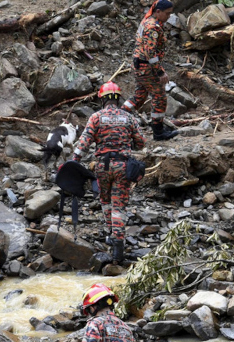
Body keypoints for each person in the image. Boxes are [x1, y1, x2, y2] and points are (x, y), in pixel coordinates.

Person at [72, 82, 145, 264]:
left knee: (105, 200)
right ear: (118, 98)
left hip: (103, 167)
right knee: (119, 205)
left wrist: (73, 162)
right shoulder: (128, 118)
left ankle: (111, 234)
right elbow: (141, 142)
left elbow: (84, 143)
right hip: (123, 166)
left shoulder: (96, 117)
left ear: (102, 98)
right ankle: (118, 243)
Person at [122, 0, 179, 141]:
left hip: (139, 65)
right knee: (159, 97)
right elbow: (150, 52)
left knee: (139, 96)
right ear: (158, 12)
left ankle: (116, 119)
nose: (168, 17)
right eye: (167, 13)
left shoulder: (147, 21)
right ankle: (158, 133)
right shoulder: (152, 27)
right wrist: (159, 71)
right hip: (146, 67)